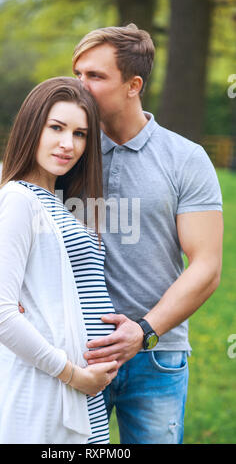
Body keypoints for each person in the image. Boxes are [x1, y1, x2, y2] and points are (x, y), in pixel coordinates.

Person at [71, 24, 223, 444]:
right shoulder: (66, 153)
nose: (80, 87)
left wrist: (143, 330)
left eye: (95, 77)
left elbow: (207, 266)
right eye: (77, 74)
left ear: (133, 85)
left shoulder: (185, 159)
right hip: (75, 350)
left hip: (157, 354)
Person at [0, 77, 119, 444]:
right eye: (56, 127)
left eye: (80, 134)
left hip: (80, 394)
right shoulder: (18, 200)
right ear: (31, 127)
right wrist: (72, 374)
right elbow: (0, 315)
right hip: (43, 390)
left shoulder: (60, 205)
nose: (68, 144)